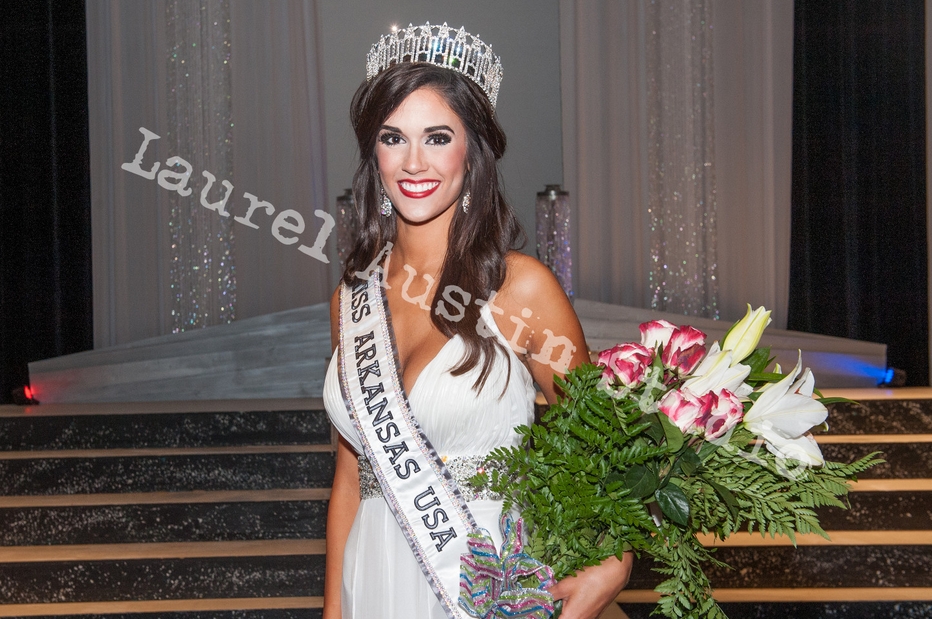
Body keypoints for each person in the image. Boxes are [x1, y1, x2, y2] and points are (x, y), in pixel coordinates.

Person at [323, 23, 632, 619]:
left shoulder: (521, 289)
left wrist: (613, 561)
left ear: (473, 153)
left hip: (483, 579)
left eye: (437, 137)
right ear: (374, 155)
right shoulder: (349, 301)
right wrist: (334, 609)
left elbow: (601, 443)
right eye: (393, 138)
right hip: (373, 578)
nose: (414, 162)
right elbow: (349, 478)